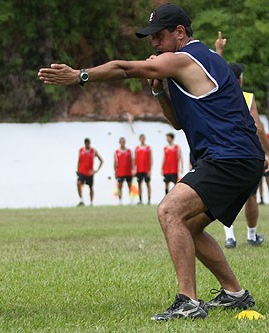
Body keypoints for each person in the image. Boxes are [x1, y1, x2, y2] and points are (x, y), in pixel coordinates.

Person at [38, 2, 265, 321]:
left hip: (229, 156)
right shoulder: (197, 64)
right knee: (188, 225)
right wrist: (159, 93)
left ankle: (188, 301)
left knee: (169, 210)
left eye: (159, 37)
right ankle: (235, 294)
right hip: (236, 157)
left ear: (180, 33)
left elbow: (125, 69)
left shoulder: (187, 59)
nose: (154, 45)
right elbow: (177, 123)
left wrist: (80, 75)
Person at [214, 32, 266, 248]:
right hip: (246, 152)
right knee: (251, 196)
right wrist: (267, 152)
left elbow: (215, 71)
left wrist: (219, 51)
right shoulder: (247, 96)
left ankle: (229, 236)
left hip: (222, 151)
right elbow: (258, 127)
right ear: (241, 79)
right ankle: (252, 235)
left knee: (226, 197)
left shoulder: (217, 94)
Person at [76, 138, 104, 206]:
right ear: (84, 143)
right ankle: (81, 200)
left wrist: (96, 170)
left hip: (89, 173)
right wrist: (77, 170)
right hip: (82, 171)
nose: (87, 144)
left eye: (88, 143)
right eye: (86, 143)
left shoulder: (93, 151)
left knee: (90, 187)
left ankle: (91, 202)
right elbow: (79, 160)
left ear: (90, 143)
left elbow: (101, 160)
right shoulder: (81, 150)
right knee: (78, 183)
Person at [114, 137, 133, 204]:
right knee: (120, 187)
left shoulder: (129, 151)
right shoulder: (117, 151)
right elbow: (115, 162)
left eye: (123, 141)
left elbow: (132, 161)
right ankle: (120, 201)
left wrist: (133, 170)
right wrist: (115, 172)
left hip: (128, 172)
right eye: (121, 141)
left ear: (125, 142)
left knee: (130, 186)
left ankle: (131, 200)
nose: (122, 143)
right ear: (119, 142)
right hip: (120, 172)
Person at [135, 134, 152, 204]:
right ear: (139, 139)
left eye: (143, 138)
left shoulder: (148, 148)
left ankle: (149, 200)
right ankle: (140, 200)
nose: (142, 139)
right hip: (139, 170)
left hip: (146, 170)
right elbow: (135, 159)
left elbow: (150, 159)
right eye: (141, 138)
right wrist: (134, 169)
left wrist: (149, 170)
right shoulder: (137, 148)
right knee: (139, 185)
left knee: (147, 184)